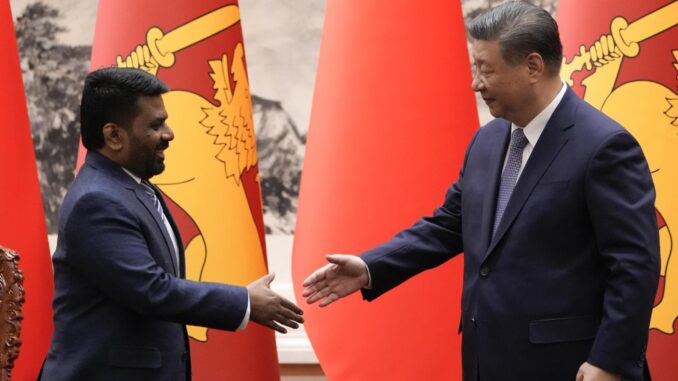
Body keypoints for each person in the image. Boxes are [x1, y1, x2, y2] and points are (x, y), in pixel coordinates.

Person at [302, 2, 659, 381]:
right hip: (485, 361)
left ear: (533, 67)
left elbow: (634, 266)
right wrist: (371, 266)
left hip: (570, 366)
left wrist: (609, 360)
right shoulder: (486, 142)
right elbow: (449, 225)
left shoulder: (605, 147)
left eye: (485, 69)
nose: (476, 83)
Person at [39, 67, 303, 381]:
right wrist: (244, 302)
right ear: (113, 135)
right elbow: (152, 289)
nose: (169, 134)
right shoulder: (96, 201)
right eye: (156, 125)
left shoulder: (134, 185)